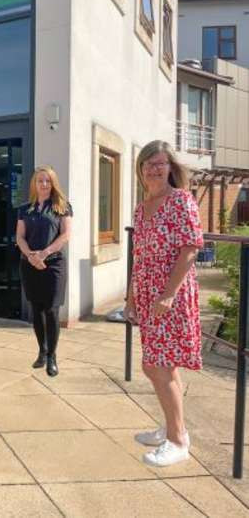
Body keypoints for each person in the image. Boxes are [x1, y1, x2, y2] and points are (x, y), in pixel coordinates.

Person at [124, 140, 203, 467]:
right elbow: (139, 256)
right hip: (146, 294)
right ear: (141, 171)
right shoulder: (142, 209)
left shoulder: (181, 200)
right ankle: (172, 425)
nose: (154, 169)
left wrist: (168, 294)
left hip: (170, 295)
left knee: (159, 365)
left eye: (160, 163)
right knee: (156, 364)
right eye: (147, 164)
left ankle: (177, 440)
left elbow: (190, 249)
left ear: (171, 167)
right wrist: (130, 299)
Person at [16, 166, 72, 377]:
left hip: (53, 264)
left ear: (53, 183)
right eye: (40, 180)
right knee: (37, 311)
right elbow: (20, 237)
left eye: (48, 180)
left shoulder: (62, 207)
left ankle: (52, 357)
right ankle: (42, 351)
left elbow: (65, 235)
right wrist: (31, 255)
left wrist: (44, 254)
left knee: (52, 310)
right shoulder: (25, 209)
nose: (44, 184)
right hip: (29, 264)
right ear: (34, 184)